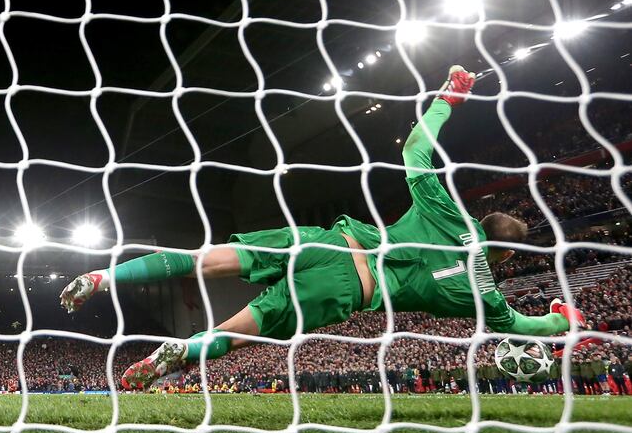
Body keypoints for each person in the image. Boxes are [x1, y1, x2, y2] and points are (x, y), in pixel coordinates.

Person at [60, 66, 586, 391]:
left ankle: (104, 277)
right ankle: (180, 353)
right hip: (344, 289)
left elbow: (415, 150)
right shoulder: (486, 295)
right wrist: (563, 319)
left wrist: (447, 99)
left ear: (481, 219)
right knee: (235, 335)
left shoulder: (447, 211)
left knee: (204, 259)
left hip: (328, 242)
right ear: (505, 256)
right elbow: (524, 326)